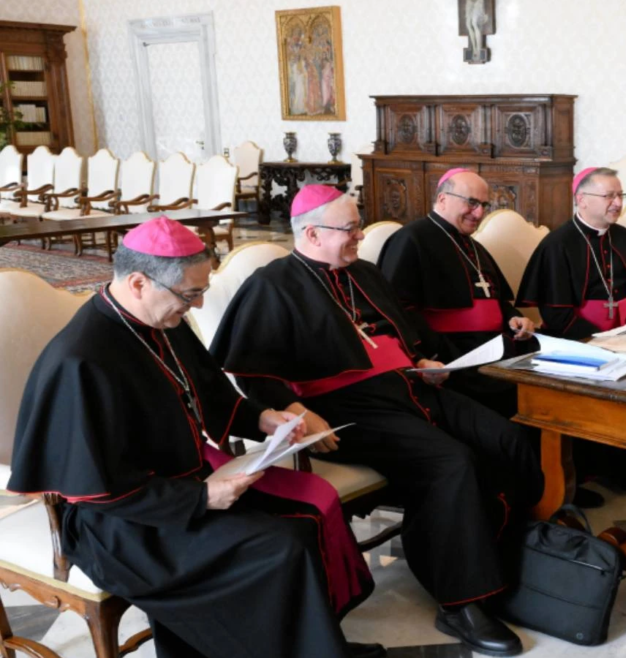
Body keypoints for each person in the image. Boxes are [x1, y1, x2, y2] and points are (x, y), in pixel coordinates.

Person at [7, 217, 381, 658]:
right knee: (275, 548)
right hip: (120, 524)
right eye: (190, 293)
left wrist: (263, 419)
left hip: (184, 487)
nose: (200, 305)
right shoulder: (80, 361)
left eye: (201, 290)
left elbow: (210, 396)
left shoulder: (162, 321)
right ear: (140, 282)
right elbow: (97, 487)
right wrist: (201, 500)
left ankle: (312, 646)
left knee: (300, 527)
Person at [209, 185, 540, 657]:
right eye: (349, 229)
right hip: (346, 409)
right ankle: (461, 601)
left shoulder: (363, 272)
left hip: (410, 388)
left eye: (358, 226)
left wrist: (424, 359)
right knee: (451, 462)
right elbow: (250, 370)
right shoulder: (273, 284)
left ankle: (508, 554)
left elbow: (400, 333)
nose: (359, 237)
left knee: (508, 437)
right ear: (311, 232)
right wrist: (298, 410)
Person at [378, 168, 535, 417]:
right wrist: (440, 351)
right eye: (472, 203)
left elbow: (498, 300)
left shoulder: (474, 246)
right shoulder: (410, 240)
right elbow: (398, 311)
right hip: (453, 359)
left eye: (484, 204)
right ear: (443, 199)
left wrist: (515, 318)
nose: (480, 213)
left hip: (496, 351)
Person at [516, 167, 626, 339]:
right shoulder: (557, 245)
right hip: (579, 340)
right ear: (582, 199)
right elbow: (557, 315)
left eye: (620, 195)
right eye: (609, 196)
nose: (618, 203)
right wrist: (601, 339)